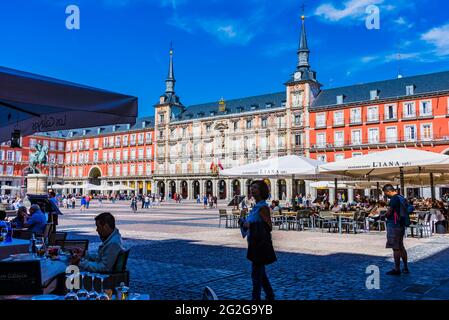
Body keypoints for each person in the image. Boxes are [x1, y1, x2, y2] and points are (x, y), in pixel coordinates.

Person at [240, 180, 276, 301]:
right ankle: (270, 295)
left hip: (260, 244)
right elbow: (251, 223)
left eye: (254, 188)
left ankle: (255, 299)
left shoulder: (263, 207)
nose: (252, 190)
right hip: (254, 242)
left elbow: (269, 226)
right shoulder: (255, 207)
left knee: (256, 274)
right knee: (261, 273)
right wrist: (244, 221)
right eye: (251, 187)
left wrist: (250, 225)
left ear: (261, 191)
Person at [382, 184, 409, 276]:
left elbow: (389, 211)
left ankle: (397, 269)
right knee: (401, 246)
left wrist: (383, 215)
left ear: (388, 191)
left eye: (385, 193)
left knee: (396, 248)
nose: (386, 195)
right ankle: (405, 266)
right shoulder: (401, 197)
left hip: (394, 225)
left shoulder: (393, 199)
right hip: (401, 224)